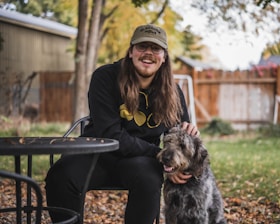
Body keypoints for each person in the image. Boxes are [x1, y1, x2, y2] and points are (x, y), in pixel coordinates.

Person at [45, 24, 199, 224]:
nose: (148, 53)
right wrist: (158, 155)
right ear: (131, 51)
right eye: (142, 47)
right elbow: (111, 134)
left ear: (164, 57)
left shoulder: (173, 92)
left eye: (156, 49)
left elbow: (179, 138)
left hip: (139, 161)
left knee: (149, 178)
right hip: (98, 154)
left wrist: (176, 166)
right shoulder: (105, 77)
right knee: (60, 175)